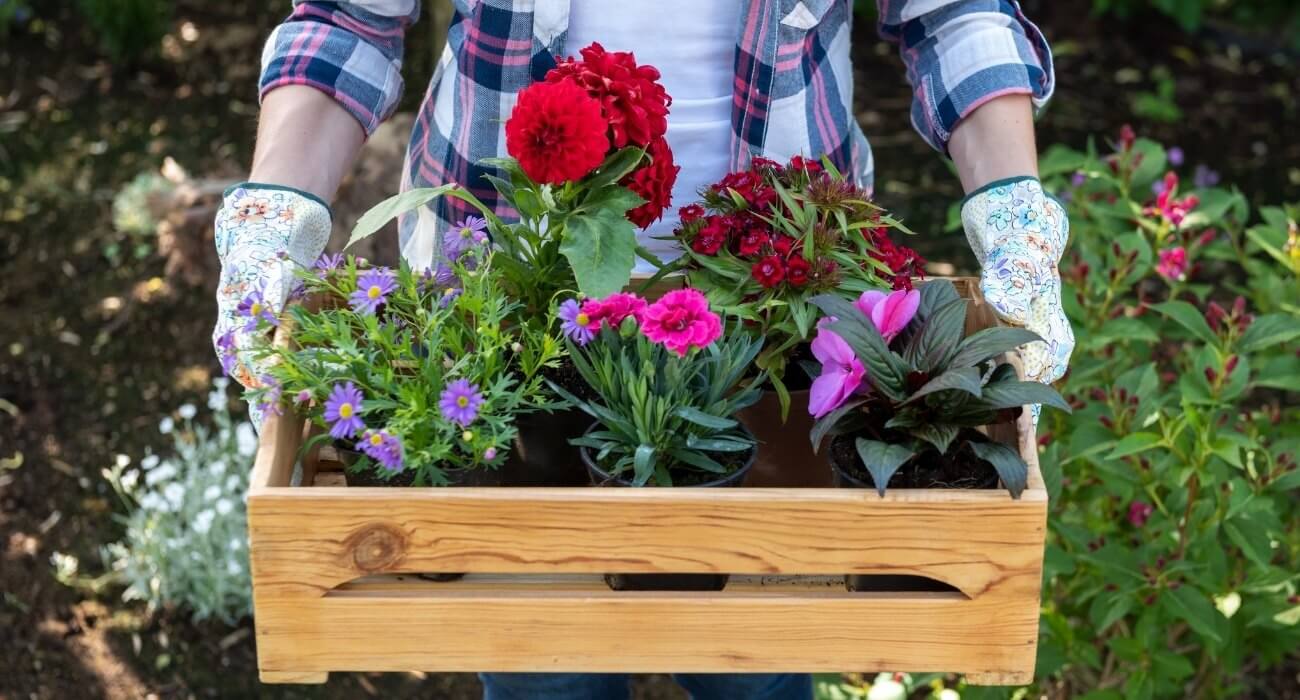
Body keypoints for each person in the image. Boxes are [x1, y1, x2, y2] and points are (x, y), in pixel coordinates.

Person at [213, 1, 1072, 698]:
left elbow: (950, 15)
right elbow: (350, 20)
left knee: (757, 663)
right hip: (512, 291)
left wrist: (1014, 212)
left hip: (772, 301)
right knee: (542, 664)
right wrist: (276, 213)